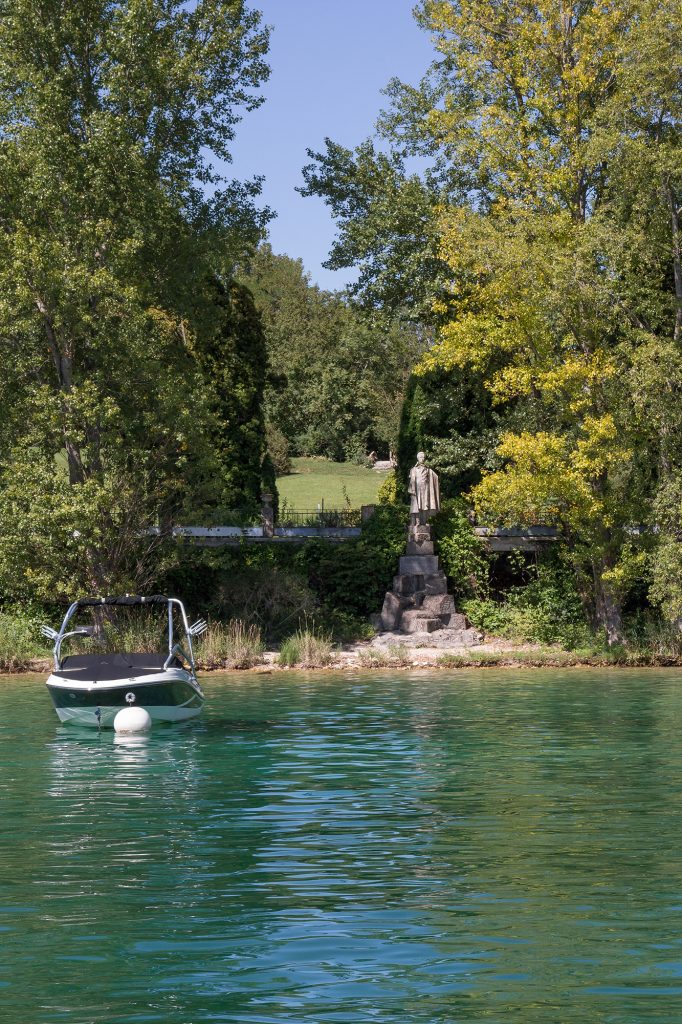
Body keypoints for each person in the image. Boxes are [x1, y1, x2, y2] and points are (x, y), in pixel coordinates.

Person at [408, 452, 440, 525]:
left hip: (425, 490)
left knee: (425, 505)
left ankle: (424, 521)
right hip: (416, 489)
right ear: (417, 458)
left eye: (423, 457)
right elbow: (412, 481)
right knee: (416, 506)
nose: (422, 459)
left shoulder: (427, 469)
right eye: (420, 457)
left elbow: (435, 477)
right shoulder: (414, 469)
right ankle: (417, 522)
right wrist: (412, 489)